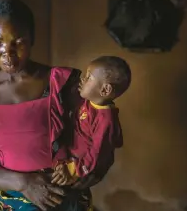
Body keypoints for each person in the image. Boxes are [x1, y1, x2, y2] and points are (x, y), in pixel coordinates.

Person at [0, 0, 109, 211]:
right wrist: (23, 183)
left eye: (18, 42)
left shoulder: (63, 83)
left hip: (65, 206)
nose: (7, 53)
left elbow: (100, 128)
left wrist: (96, 169)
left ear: (32, 38)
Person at [51, 56, 131, 186]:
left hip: (78, 167)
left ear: (105, 90)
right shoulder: (90, 102)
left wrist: (72, 169)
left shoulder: (106, 120)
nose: (83, 79)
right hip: (68, 155)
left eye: (88, 78)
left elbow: (97, 153)